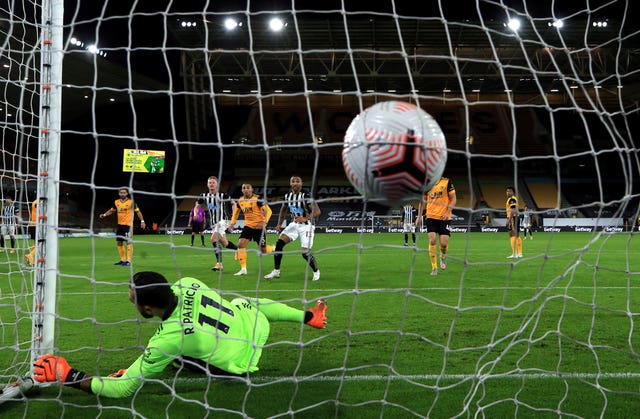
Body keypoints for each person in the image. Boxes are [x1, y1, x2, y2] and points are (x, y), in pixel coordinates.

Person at [32, 271, 328, 398]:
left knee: (172, 354)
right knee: (242, 303)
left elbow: (123, 390)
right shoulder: (188, 282)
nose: (130, 300)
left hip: (239, 366)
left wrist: (67, 373)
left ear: (148, 309)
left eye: (133, 299)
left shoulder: (166, 340)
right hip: (255, 327)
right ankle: (309, 317)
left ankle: (167, 363)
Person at [264, 175, 321, 282]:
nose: (295, 183)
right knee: (279, 244)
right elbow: (283, 210)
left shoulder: (306, 195)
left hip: (307, 226)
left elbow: (317, 211)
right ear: (290, 184)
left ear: (301, 183)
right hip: (294, 225)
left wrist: (305, 218)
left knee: (305, 253)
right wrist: (279, 224)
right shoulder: (287, 196)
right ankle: (276, 271)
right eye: (293, 181)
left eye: (297, 181)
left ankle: (316, 271)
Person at [228, 183, 272, 276]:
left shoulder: (257, 199)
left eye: (248, 188)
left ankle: (274, 248)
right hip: (248, 226)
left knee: (263, 251)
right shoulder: (240, 200)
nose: (246, 189)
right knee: (241, 244)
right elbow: (236, 213)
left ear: (252, 190)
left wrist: (264, 223)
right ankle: (243, 269)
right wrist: (232, 223)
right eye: (244, 188)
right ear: (242, 190)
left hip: (259, 227)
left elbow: (268, 211)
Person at [415, 177, 457, 276]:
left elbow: (454, 198)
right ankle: (434, 267)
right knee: (432, 240)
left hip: (445, 217)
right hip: (431, 217)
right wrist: (419, 216)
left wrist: (448, 212)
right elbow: (422, 202)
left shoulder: (447, 182)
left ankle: (442, 256)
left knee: (443, 244)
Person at [99, 188, 146, 266]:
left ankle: (128, 261)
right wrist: (104, 215)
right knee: (119, 242)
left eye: (124, 192)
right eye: (121, 192)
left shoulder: (131, 202)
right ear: (119, 193)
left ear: (127, 193)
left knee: (128, 241)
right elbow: (112, 210)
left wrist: (142, 221)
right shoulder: (116, 202)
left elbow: (138, 211)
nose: (122, 194)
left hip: (128, 225)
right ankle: (122, 260)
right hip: (120, 225)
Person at [202, 176, 238, 272]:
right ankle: (240, 250)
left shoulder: (223, 195)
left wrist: (233, 220)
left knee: (213, 239)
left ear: (217, 184)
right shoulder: (204, 195)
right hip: (214, 223)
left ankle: (219, 264)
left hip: (223, 220)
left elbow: (234, 204)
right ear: (207, 184)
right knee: (225, 243)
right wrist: (196, 211)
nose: (211, 184)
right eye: (210, 182)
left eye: (213, 182)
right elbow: (197, 204)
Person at [505, 186, 523, 258]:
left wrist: (509, 220)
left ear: (513, 192)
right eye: (507, 191)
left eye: (509, 191)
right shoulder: (512, 199)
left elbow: (513, 210)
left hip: (513, 218)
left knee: (512, 235)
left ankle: (514, 253)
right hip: (515, 217)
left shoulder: (512, 199)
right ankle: (520, 253)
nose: (507, 192)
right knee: (517, 235)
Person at [24, 196, 37, 265]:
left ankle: (31, 260)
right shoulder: (39, 202)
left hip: (33, 224)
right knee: (41, 244)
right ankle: (30, 255)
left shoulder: (34, 202)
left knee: (36, 243)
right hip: (37, 225)